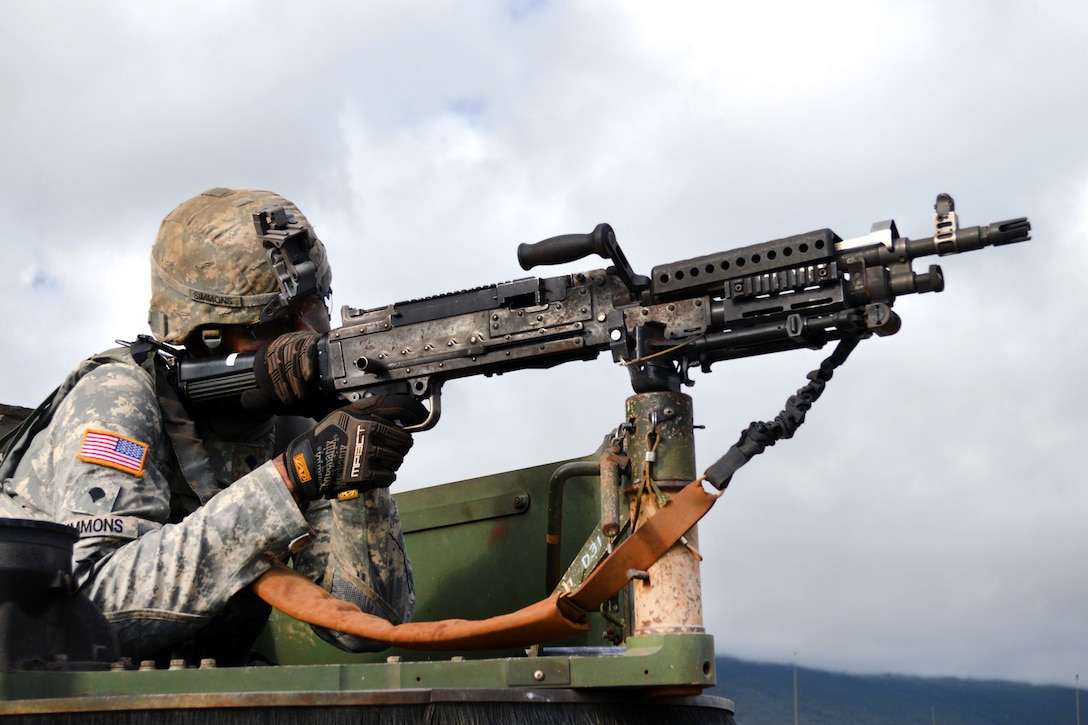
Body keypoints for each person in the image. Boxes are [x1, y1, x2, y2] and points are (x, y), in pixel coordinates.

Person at [0, 187, 422, 666]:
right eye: (277, 322)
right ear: (207, 337)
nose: (311, 336)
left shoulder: (294, 427)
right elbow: (91, 608)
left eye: (315, 307)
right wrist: (288, 479)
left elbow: (366, 625)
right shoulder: (121, 397)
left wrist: (359, 472)